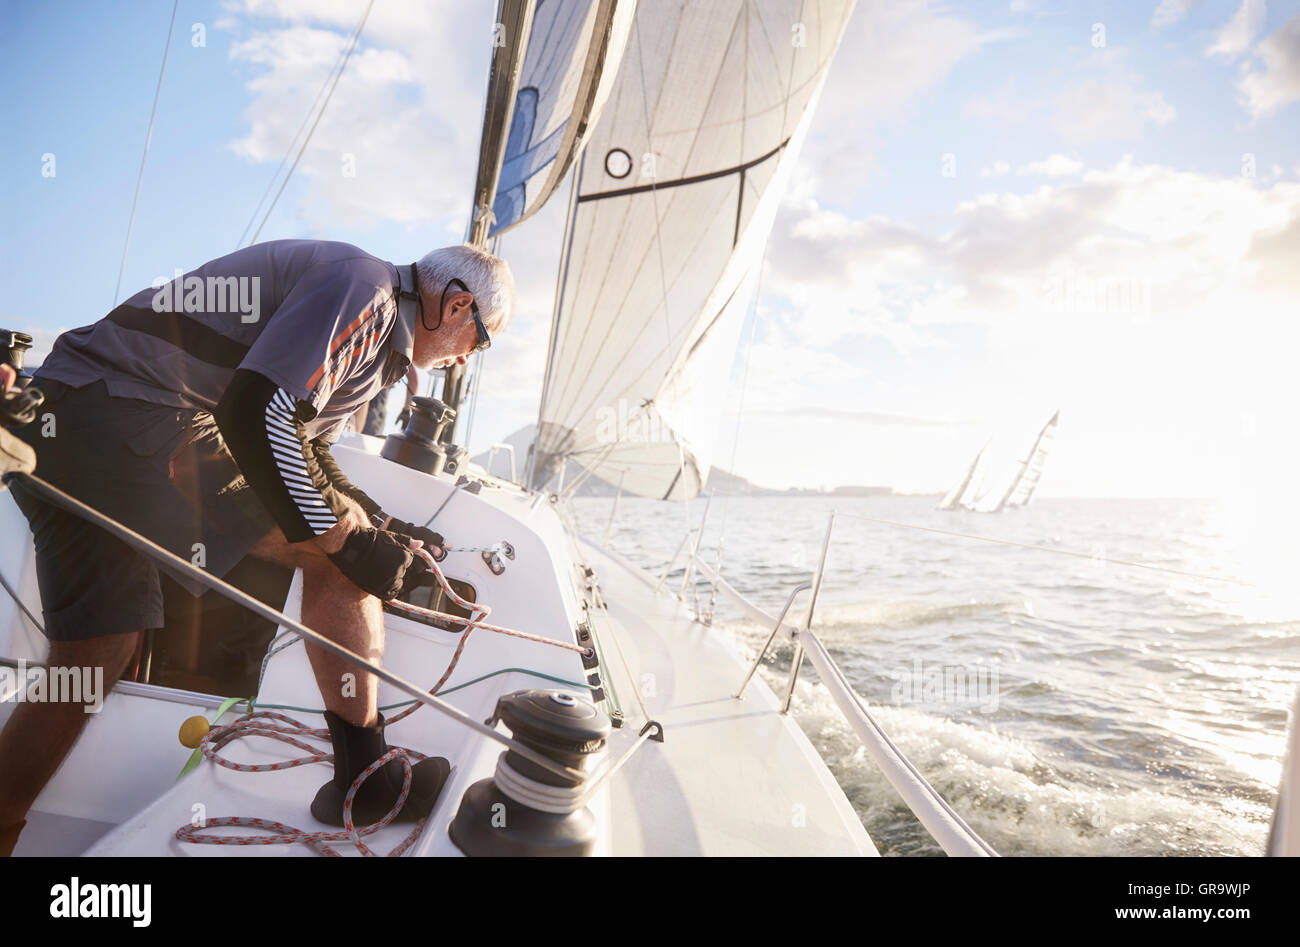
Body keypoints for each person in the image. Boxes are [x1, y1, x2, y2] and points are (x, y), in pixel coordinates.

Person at [0, 240, 514, 856]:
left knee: (96, 654)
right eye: (480, 343)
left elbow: (310, 450)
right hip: (126, 411)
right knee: (333, 550)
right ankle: (368, 776)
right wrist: (354, 544)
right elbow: (259, 413)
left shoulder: (375, 333)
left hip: (66, 420)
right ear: (457, 306)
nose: (465, 360)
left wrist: (383, 524)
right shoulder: (366, 291)